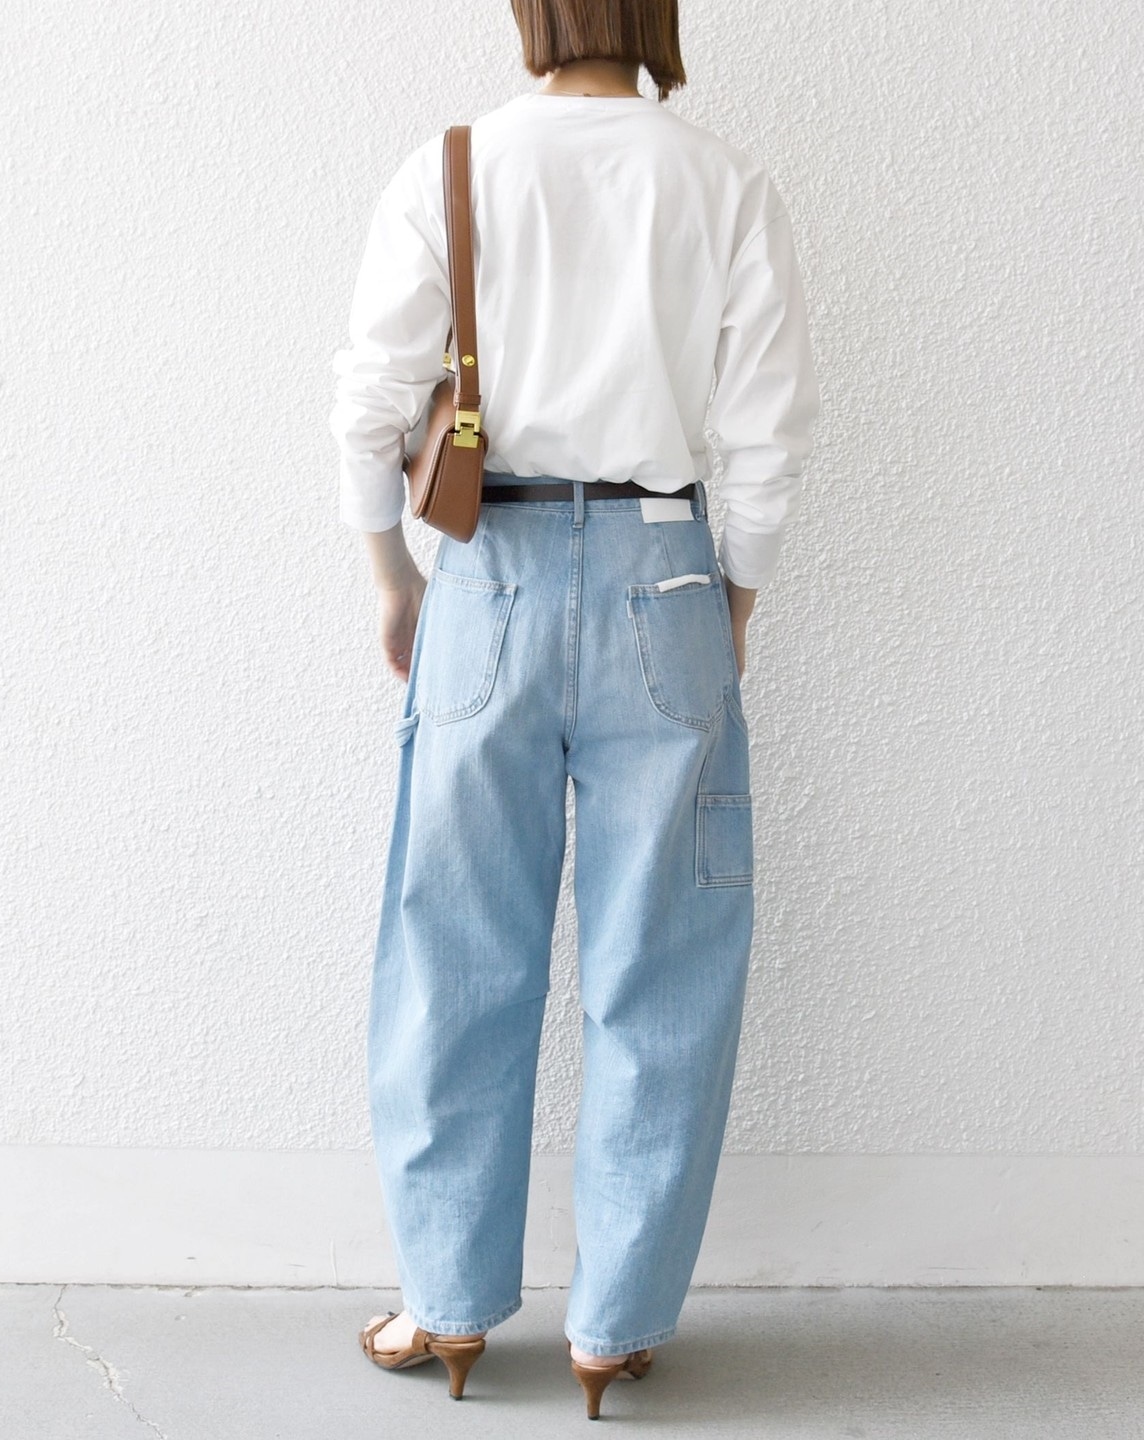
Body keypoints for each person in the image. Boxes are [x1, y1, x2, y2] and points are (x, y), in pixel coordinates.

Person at [330, 0, 820, 1418]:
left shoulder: (454, 166)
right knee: (665, 962)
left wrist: (393, 582)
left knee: (452, 948)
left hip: (487, 571)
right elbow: (767, 433)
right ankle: (615, 1328)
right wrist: (733, 602)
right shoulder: (724, 180)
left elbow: (369, 404)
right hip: (667, 574)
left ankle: (448, 1307)